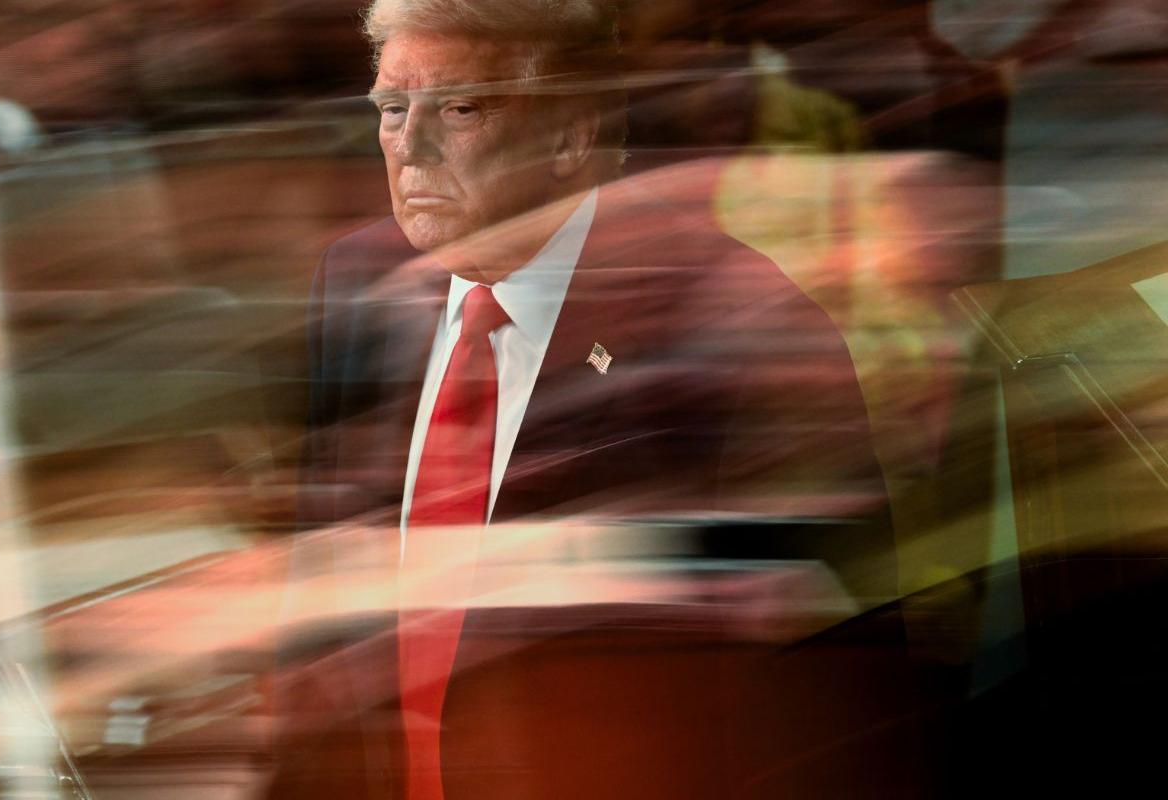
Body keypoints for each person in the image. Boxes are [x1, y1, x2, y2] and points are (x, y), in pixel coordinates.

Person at [286, 0, 892, 796]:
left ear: (571, 136)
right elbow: (321, 593)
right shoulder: (357, 283)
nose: (410, 147)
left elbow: (840, 692)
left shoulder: (731, 326)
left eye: (459, 107)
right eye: (393, 109)